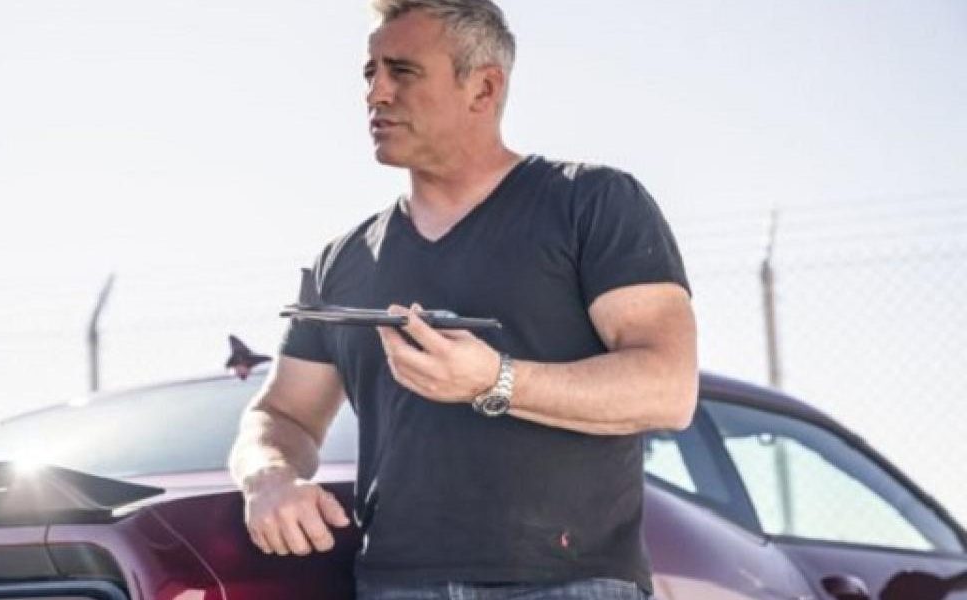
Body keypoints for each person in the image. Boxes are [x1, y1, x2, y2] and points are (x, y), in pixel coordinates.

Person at [228, 1, 698, 598]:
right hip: (395, 586)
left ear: (483, 87)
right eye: (370, 72)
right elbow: (282, 414)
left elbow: (668, 387)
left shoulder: (592, 203)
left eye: (403, 71)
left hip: (569, 583)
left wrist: (494, 380)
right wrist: (267, 475)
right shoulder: (342, 261)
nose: (376, 93)